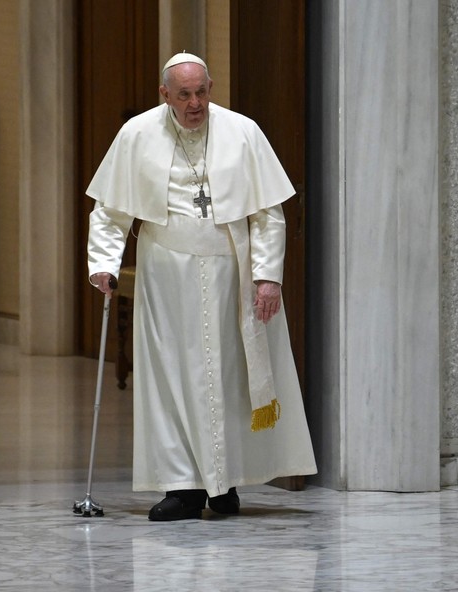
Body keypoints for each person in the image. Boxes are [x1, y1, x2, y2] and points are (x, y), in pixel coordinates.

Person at [86, 52, 317, 521]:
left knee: (229, 379)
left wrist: (268, 276)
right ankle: (184, 487)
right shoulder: (136, 135)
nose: (195, 104)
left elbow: (268, 214)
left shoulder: (243, 132)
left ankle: (224, 484)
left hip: (231, 271)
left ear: (211, 87)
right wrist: (103, 263)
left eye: (202, 92)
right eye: (185, 95)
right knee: (172, 377)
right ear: (164, 94)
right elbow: (110, 211)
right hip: (165, 274)